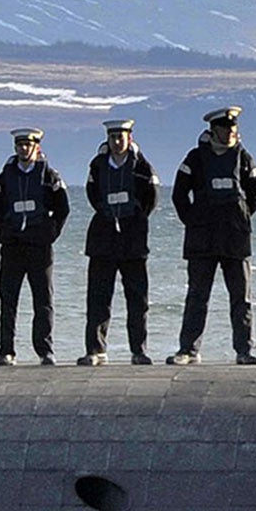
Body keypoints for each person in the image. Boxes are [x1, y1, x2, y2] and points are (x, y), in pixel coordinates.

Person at [169, 105, 256, 365]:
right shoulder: (195, 158)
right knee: (197, 296)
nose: (230, 132)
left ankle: (244, 351)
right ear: (213, 130)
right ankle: (188, 350)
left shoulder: (244, 158)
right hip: (203, 239)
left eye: (233, 128)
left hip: (235, 238)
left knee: (241, 298)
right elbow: (179, 195)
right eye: (225, 128)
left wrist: (241, 216)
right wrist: (193, 221)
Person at [79, 118, 160, 366]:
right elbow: (92, 193)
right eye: (112, 138)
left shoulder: (142, 167)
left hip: (133, 241)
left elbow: (151, 197)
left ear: (130, 138)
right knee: (98, 298)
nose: (116, 142)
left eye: (120, 138)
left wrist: (134, 220)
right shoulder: (98, 165)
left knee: (137, 300)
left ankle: (138, 350)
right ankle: (96, 349)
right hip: (103, 240)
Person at [0, 128, 70, 365]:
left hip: (39, 248)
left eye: (28, 145)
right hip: (13, 248)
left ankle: (45, 351)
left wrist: (50, 233)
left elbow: (62, 208)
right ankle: (6, 351)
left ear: (37, 147)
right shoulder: (5, 176)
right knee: (8, 300)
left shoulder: (50, 176)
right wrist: (5, 231)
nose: (24, 149)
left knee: (43, 300)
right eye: (20, 145)